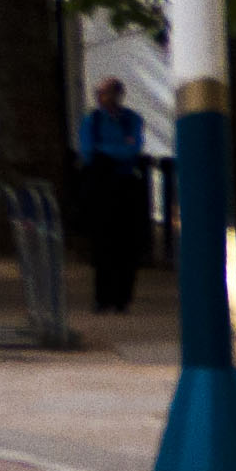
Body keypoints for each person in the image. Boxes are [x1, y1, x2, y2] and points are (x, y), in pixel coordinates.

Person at [78, 75, 154, 314]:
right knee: (102, 244)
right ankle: (103, 298)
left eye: (109, 93)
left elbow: (134, 149)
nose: (104, 98)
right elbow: (88, 152)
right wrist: (118, 150)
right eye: (101, 93)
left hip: (126, 187)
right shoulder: (92, 121)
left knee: (127, 245)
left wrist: (108, 151)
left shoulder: (132, 119)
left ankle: (122, 298)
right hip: (102, 188)